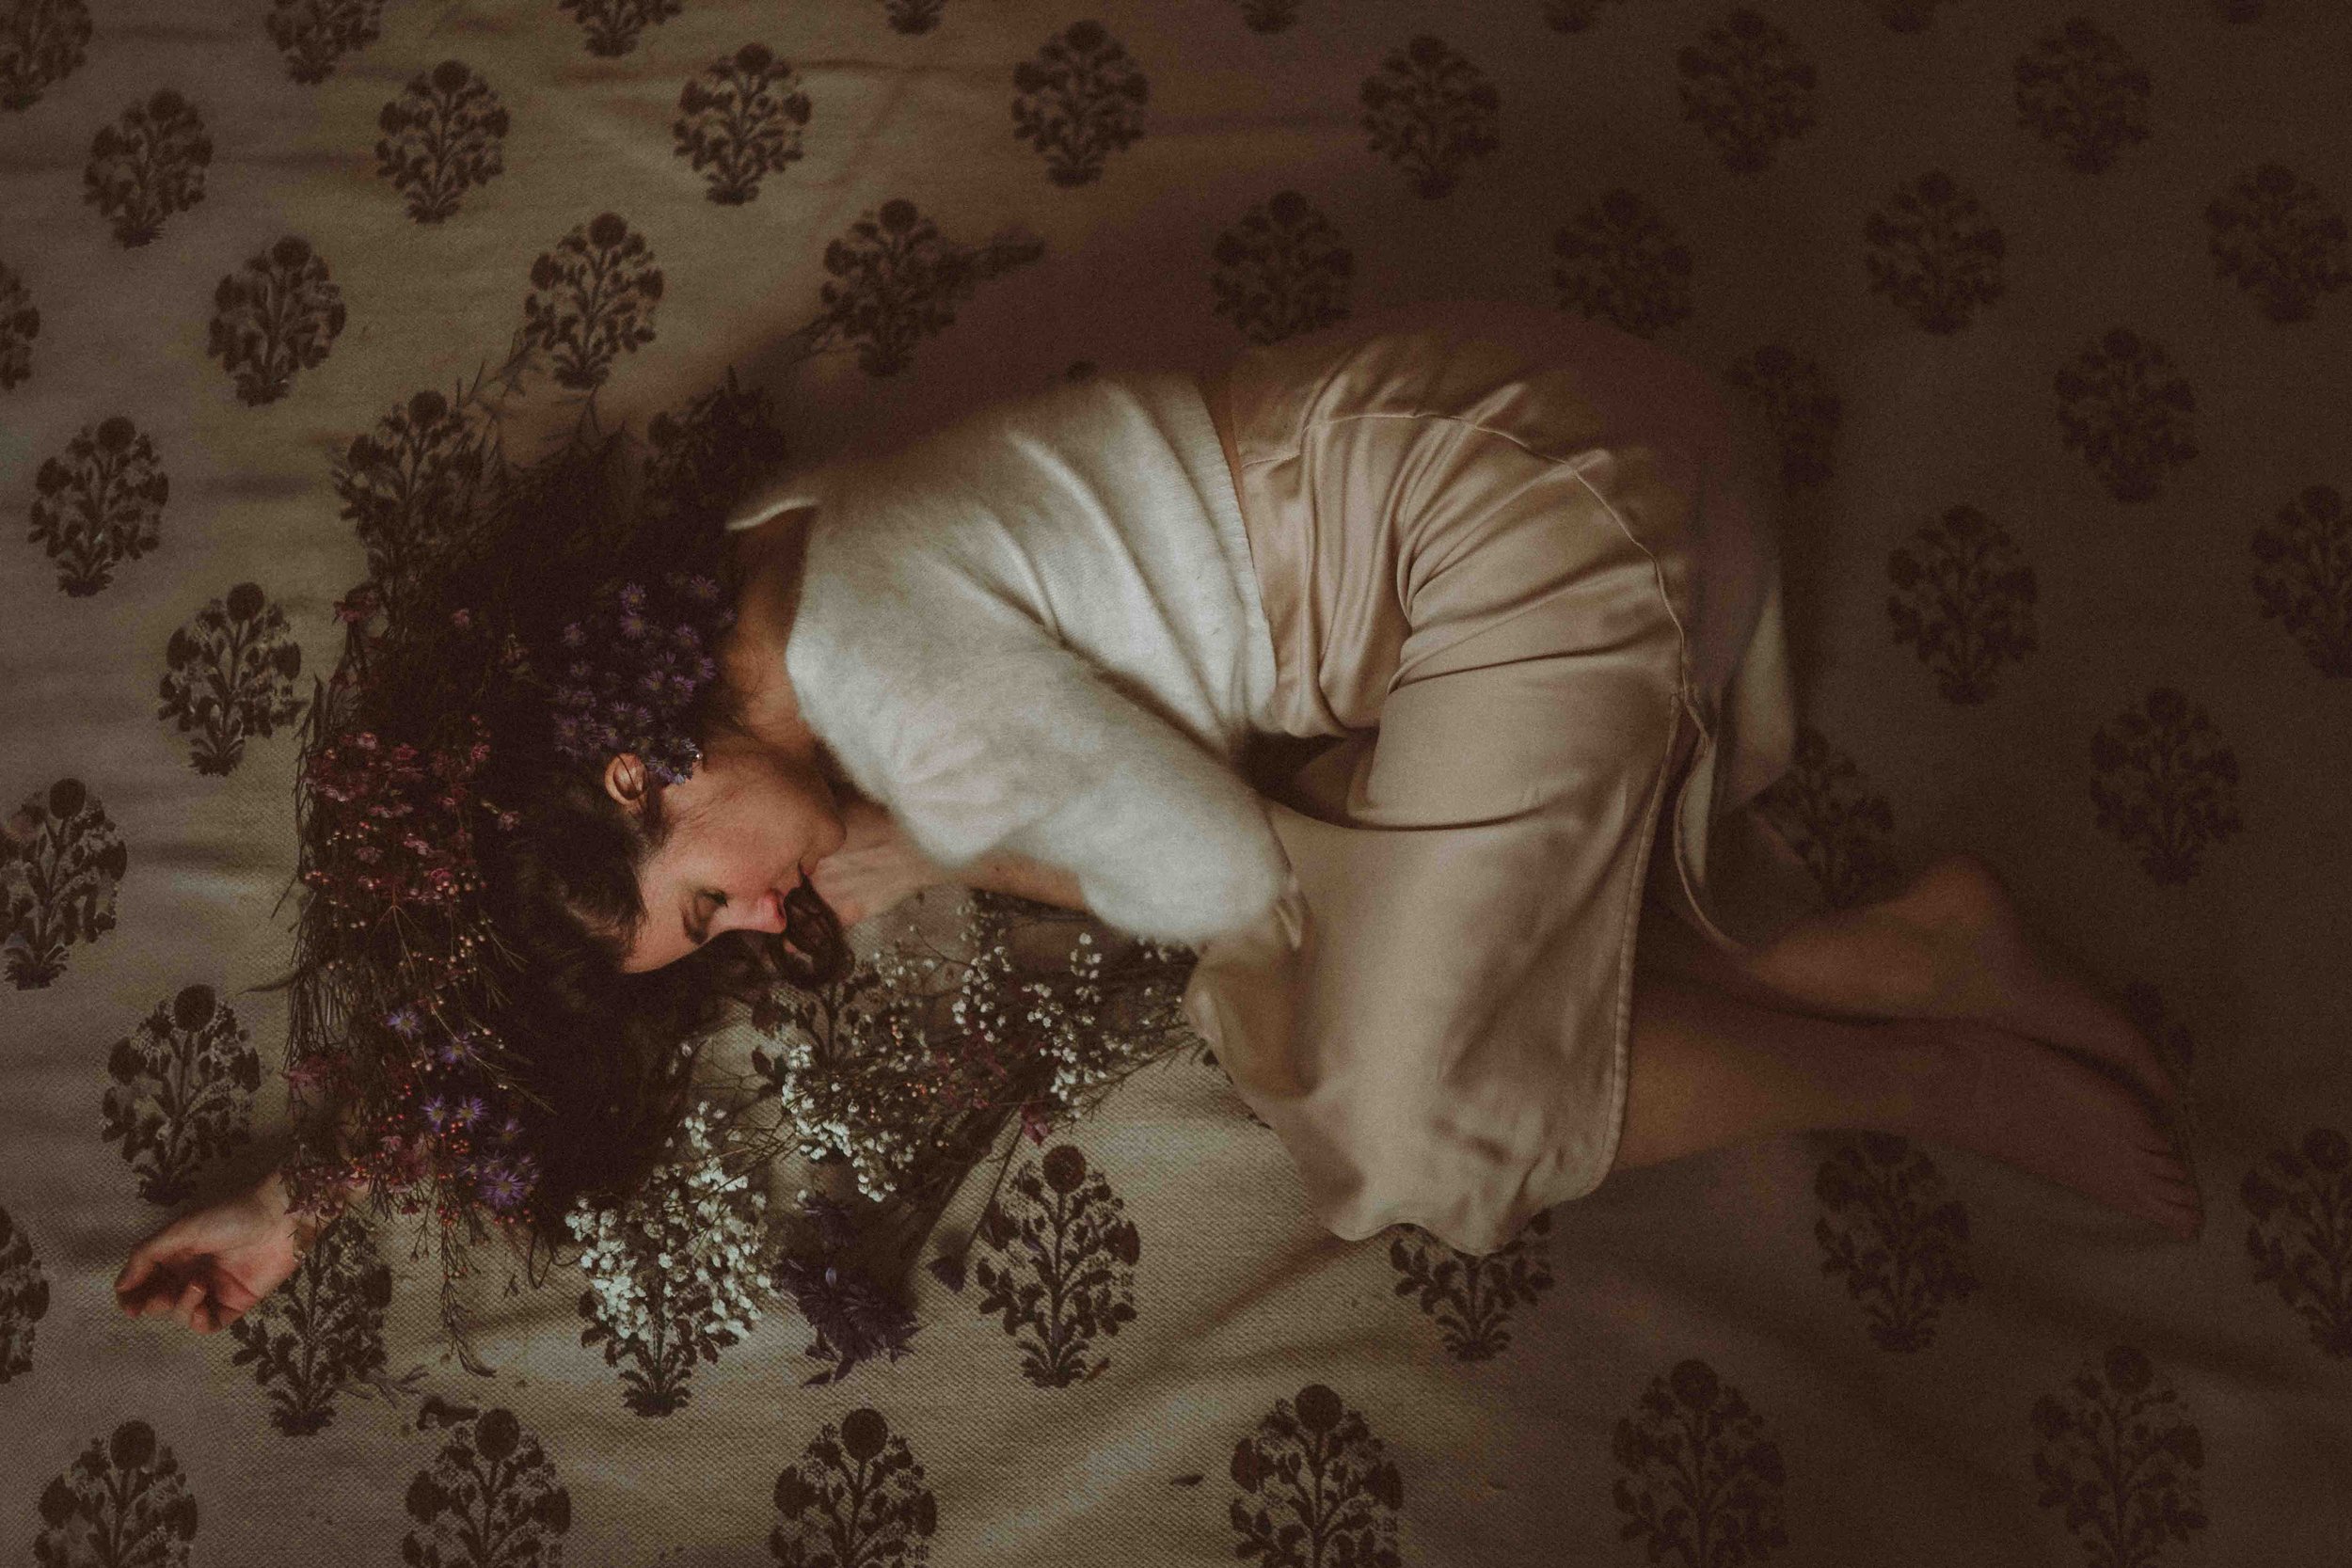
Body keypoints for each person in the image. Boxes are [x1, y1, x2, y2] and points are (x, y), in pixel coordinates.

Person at [117, 301, 2200, 1338]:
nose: (765, 924)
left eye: (698, 903)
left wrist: (986, 854)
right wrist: (316, 1189)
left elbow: (1212, 877)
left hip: (1529, 524)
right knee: (1354, 988)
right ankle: (1891, 952)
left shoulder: (889, 699)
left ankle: (1921, 1068)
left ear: (630, 765)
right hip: (1529, 405)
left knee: (1378, 1108)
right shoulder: (751, 578)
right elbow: (580, 929)